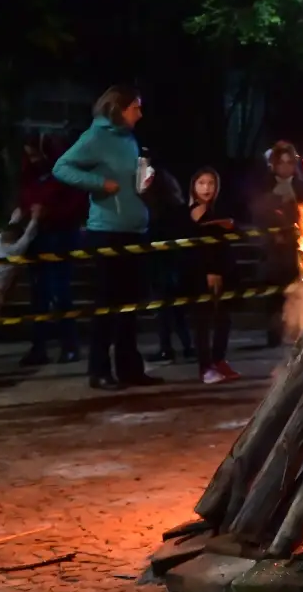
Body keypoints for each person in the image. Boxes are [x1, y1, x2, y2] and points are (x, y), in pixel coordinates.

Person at [52, 86, 159, 390]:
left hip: (135, 228)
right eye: (135, 107)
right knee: (107, 304)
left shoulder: (130, 139)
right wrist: (98, 182)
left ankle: (129, 368)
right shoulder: (95, 137)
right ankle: (98, 370)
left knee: (130, 305)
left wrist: (144, 181)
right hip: (107, 231)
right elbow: (61, 167)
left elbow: (130, 179)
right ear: (120, 109)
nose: (140, 113)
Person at [19, 133, 85, 366]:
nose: (33, 160)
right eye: (30, 155)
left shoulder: (64, 173)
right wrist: (27, 212)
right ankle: (39, 348)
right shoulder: (30, 175)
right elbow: (24, 197)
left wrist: (50, 212)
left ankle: (70, 346)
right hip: (37, 237)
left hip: (61, 236)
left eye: (36, 155)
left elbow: (75, 205)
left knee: (60, 292)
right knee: (38, 295)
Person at [252, 139, 303, 348]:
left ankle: (299, 332)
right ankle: (274, 334)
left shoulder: (302, 187)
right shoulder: (264, 186)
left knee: (299, 291)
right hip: (273, 251)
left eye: (289, 162)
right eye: (281, 162)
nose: (285, 167)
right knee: (274, 296)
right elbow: (258, 214)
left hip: (298, 249)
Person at [185, 168, 240, 384]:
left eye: (211, 183)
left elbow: (232, 229)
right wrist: (211, 271)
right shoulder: (196, 210)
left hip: (224, 269)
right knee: (203, 320)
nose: (206, 188)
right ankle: (205, 367)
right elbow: (206, 241)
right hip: (202, 272)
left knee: (223, 318)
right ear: (193, 186)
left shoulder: (218, 208)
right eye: (201, 183)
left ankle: (219, 360)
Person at [145, 164, 195, 365]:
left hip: (164, 263)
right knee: (176, 309)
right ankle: (187, 346)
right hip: (175, 263)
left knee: (165, 307)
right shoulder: (177, 208)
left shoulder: (157, 212)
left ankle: (167, 348)